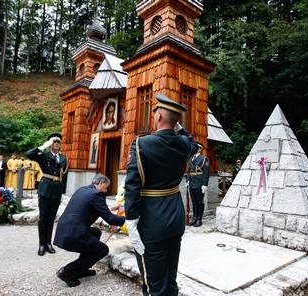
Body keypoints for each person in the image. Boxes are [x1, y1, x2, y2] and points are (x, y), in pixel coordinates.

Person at [125, 93, 198, 296]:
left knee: (153, 284)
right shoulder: (184, 144)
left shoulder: (141, 144)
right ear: (175, 122)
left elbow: (132, 185)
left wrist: (131, 220)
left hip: (152, 220)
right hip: (176, 216)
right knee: (170, 277)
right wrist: (179, 126)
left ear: (157, 117)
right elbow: (193, 142)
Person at [54, 174, 125, 287]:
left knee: (96, 232)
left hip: (65, 229)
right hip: (74, 233)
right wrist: (129, 219)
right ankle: (67, 271)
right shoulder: (97, 194)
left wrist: (113, 210)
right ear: (101, 183)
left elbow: (97, 208)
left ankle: (82, 269)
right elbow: (110, 217)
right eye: (106, 187)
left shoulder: (83, 190)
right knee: (102, 250)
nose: (106, 191)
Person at [26, 133, 68, 256]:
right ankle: (41, 244)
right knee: (43, 217)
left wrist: (63, 191)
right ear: (50, 144)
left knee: (51, 218)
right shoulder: (43, 155)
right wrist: (44, 145)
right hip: (45, 188)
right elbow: (29, 154)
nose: (56, 144)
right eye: (54, 141)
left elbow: (63, 176)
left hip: (57, 189)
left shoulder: (64, 158)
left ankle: (48, 243)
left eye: (58, 142)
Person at [187, 141, 209, 227]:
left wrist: (205, 184)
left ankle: (199, 219)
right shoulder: (191, 158)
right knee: (194, 201)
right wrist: (188, 180)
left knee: (200, 202)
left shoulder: (204, 159)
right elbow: (190, 171)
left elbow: (206, 173)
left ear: (200, 149)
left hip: (199, 183)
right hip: (192, 183)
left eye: (196, 147)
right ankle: (195, 218)